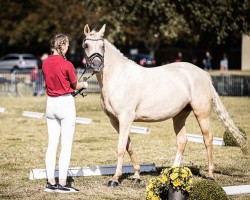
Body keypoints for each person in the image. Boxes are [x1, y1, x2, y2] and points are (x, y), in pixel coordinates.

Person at [42, 34, 88, 193]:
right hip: (65, 104)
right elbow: (75, 85)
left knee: (52, 144)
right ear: (61, 46)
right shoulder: (67, 64)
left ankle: (50, 183)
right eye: (67, 46)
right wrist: (85, 84)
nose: (67, 48)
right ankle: (62, 184)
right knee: (66, 145)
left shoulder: (45, 63)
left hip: (50, 104)